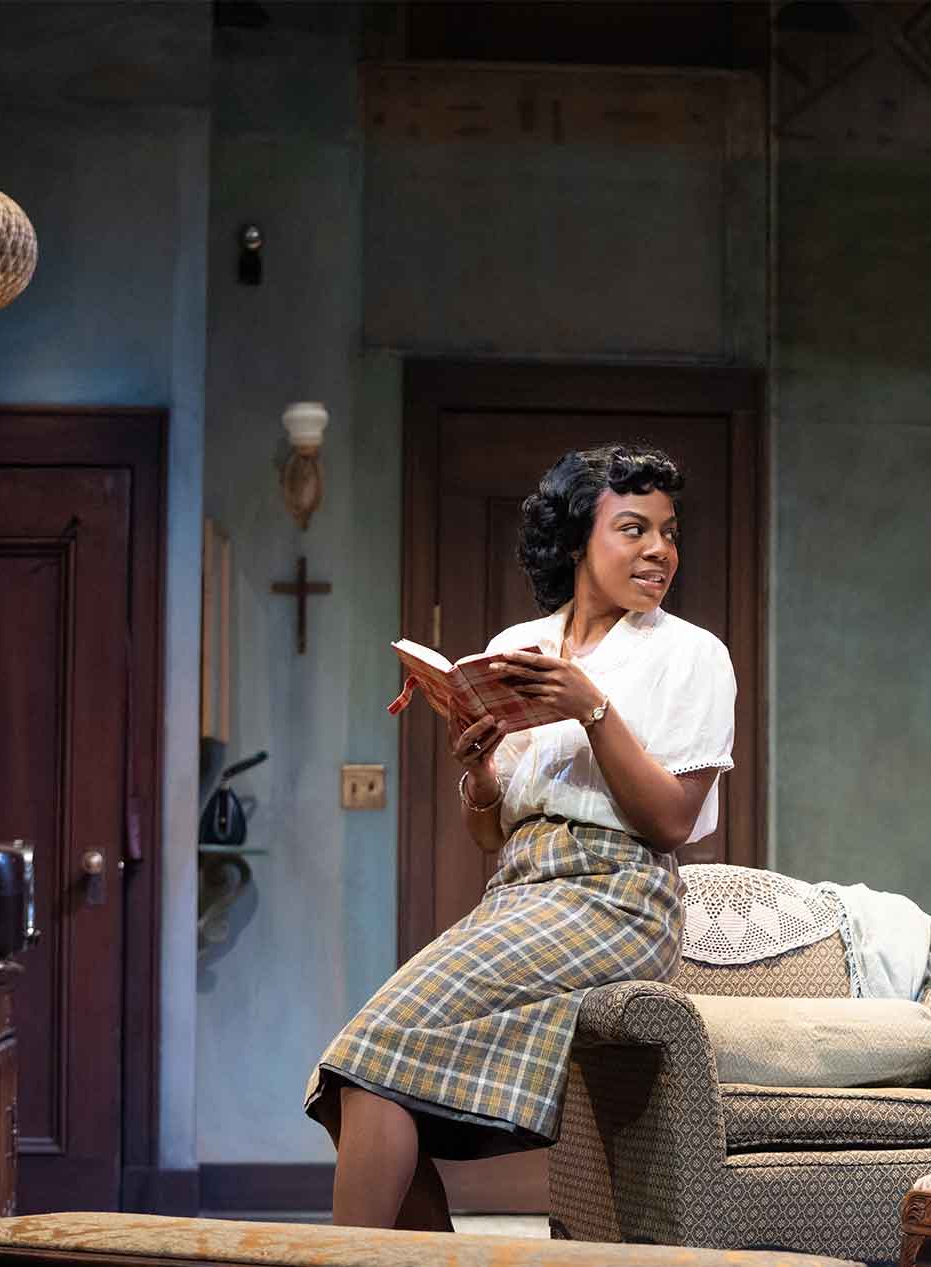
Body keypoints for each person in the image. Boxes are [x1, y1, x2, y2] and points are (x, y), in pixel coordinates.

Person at [305, 443, 736, 1230]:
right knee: (355, 1077)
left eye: (668, 533)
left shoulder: (692, 654)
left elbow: (672, 819)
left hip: (618, 896)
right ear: (578, 541)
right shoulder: (521, 644)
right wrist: (477, 775)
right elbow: (488, 830)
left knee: (366, 1055)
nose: (658, 552)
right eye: (633, 530)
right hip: (521, 889)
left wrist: (593, 709)